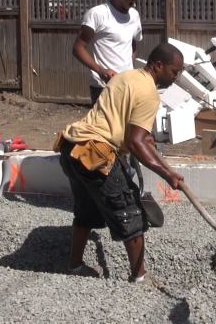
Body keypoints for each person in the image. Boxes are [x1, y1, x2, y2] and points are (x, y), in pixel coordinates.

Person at [56, 43, 185, 282]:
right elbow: (135, 144)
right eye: (174, 71)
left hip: (71, 147)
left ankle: (74, 266)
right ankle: (140, 277)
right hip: (95, 152)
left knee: (86, 210)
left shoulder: (126, 76)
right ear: (158, 65)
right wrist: (168, 176)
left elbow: (124, 125)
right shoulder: (149, 93)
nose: (176, 77)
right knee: (130, 210)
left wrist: (143, 139)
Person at [73, 0, 144, 105]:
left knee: (125, 126)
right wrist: (101, 70)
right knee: (105, 127)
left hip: (127, 85)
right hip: (103, 88)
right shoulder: (98, 14)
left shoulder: (134, 15)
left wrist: (129, 69)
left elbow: (133, 43)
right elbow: (78, 48)